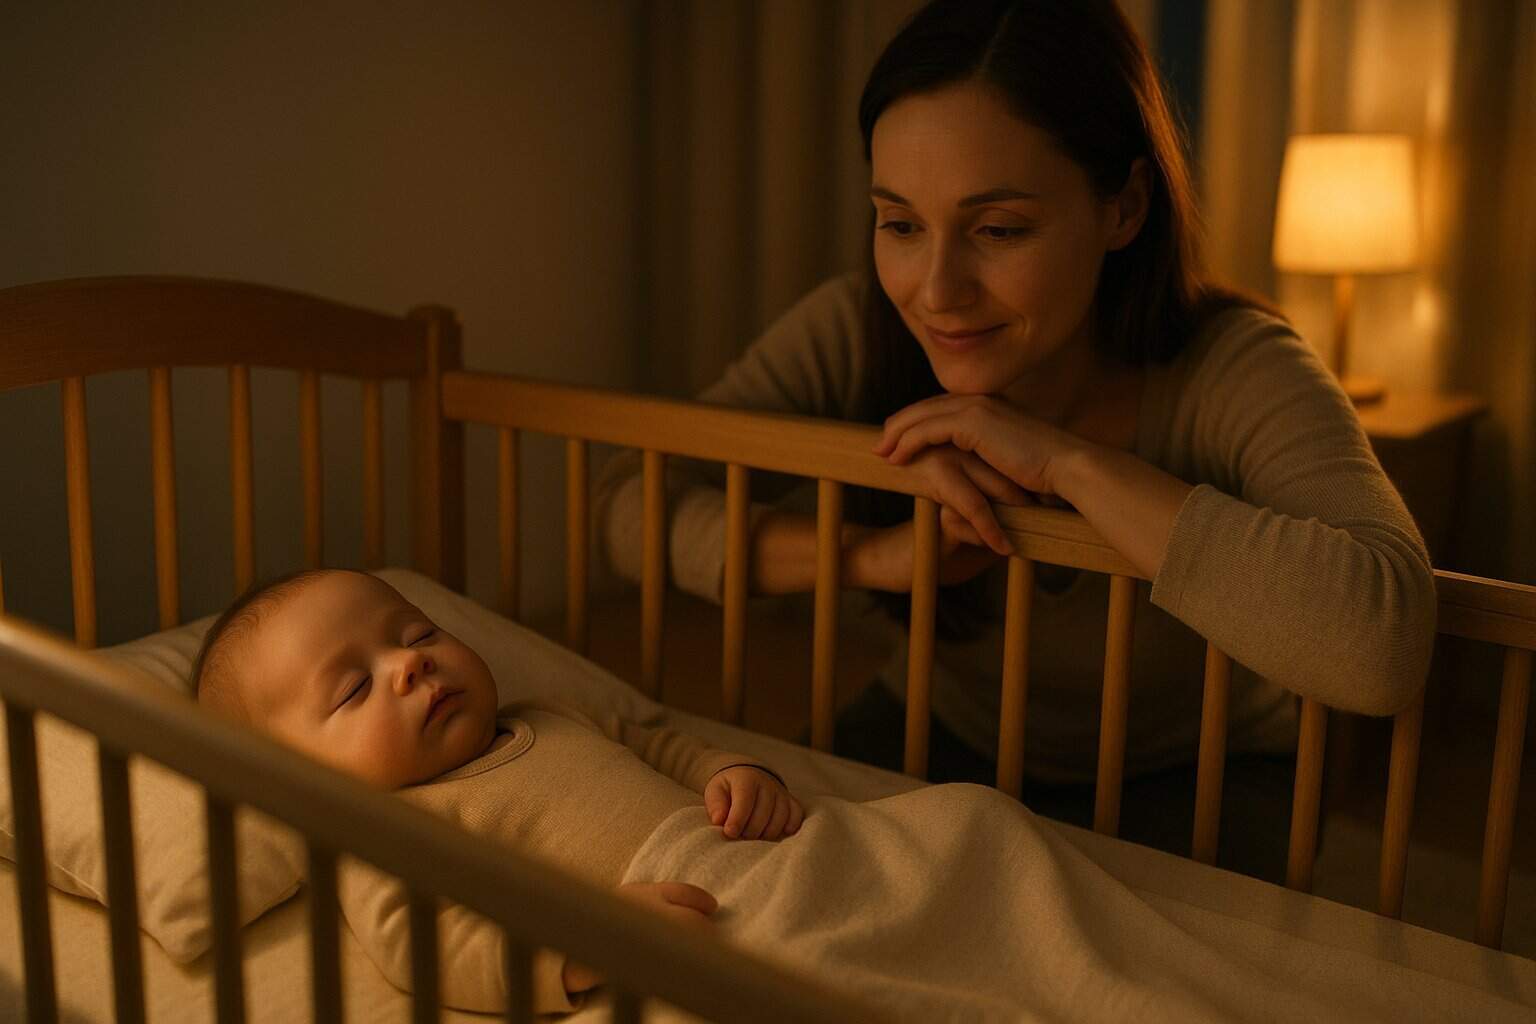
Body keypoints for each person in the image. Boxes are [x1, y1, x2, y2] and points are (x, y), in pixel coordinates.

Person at [596, 0, 1436, 882]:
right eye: (901, 224)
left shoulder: (1234, 364)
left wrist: (1069, 465)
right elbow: (623, 501)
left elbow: (1381, 646)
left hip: (1197, 773)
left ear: (1125, 208)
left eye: (998, 230)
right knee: (753, 889)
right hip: (945, 727)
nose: (937, 290)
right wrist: (872, 557)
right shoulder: (859, 325)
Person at [193, 567, 802, 1014]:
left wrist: (732, 774)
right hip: (686, 927)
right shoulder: (382, 831)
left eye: (418, 635)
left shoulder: (549, 713)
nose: (410, 665)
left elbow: (664, 748)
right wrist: (584, 943)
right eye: (354, 689)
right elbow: (428, 944)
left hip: (768, 855)